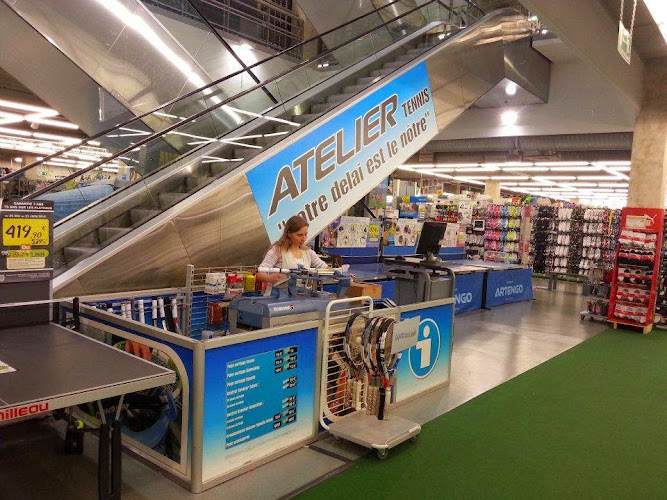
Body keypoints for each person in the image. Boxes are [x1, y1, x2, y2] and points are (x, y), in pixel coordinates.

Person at [256, 215, 328, 284]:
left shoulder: (309, 252)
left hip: (302, 295)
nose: (304, 239)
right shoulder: (277, 250)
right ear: (289, 233)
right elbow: (260, 272)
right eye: (299, 235)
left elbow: (324, 268)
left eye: (305, 234)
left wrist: (336, 272)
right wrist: (270, 278)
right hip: (279, 295)